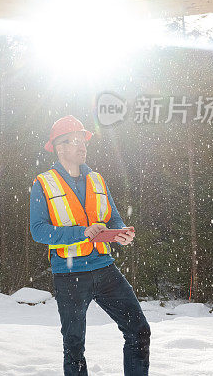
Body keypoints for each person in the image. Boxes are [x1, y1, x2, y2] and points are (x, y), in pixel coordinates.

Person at [29, 115, 150, 376]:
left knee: (139, 330)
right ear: (59, 147)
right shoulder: (43, 183)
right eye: (75, 140)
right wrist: (82, 233)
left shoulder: (97, 180)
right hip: (69, 273)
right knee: (74, 348)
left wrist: (121, 233)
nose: (82, 145)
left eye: (84, 139)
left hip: (105, 269)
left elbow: (113, 219)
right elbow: (38, 231)